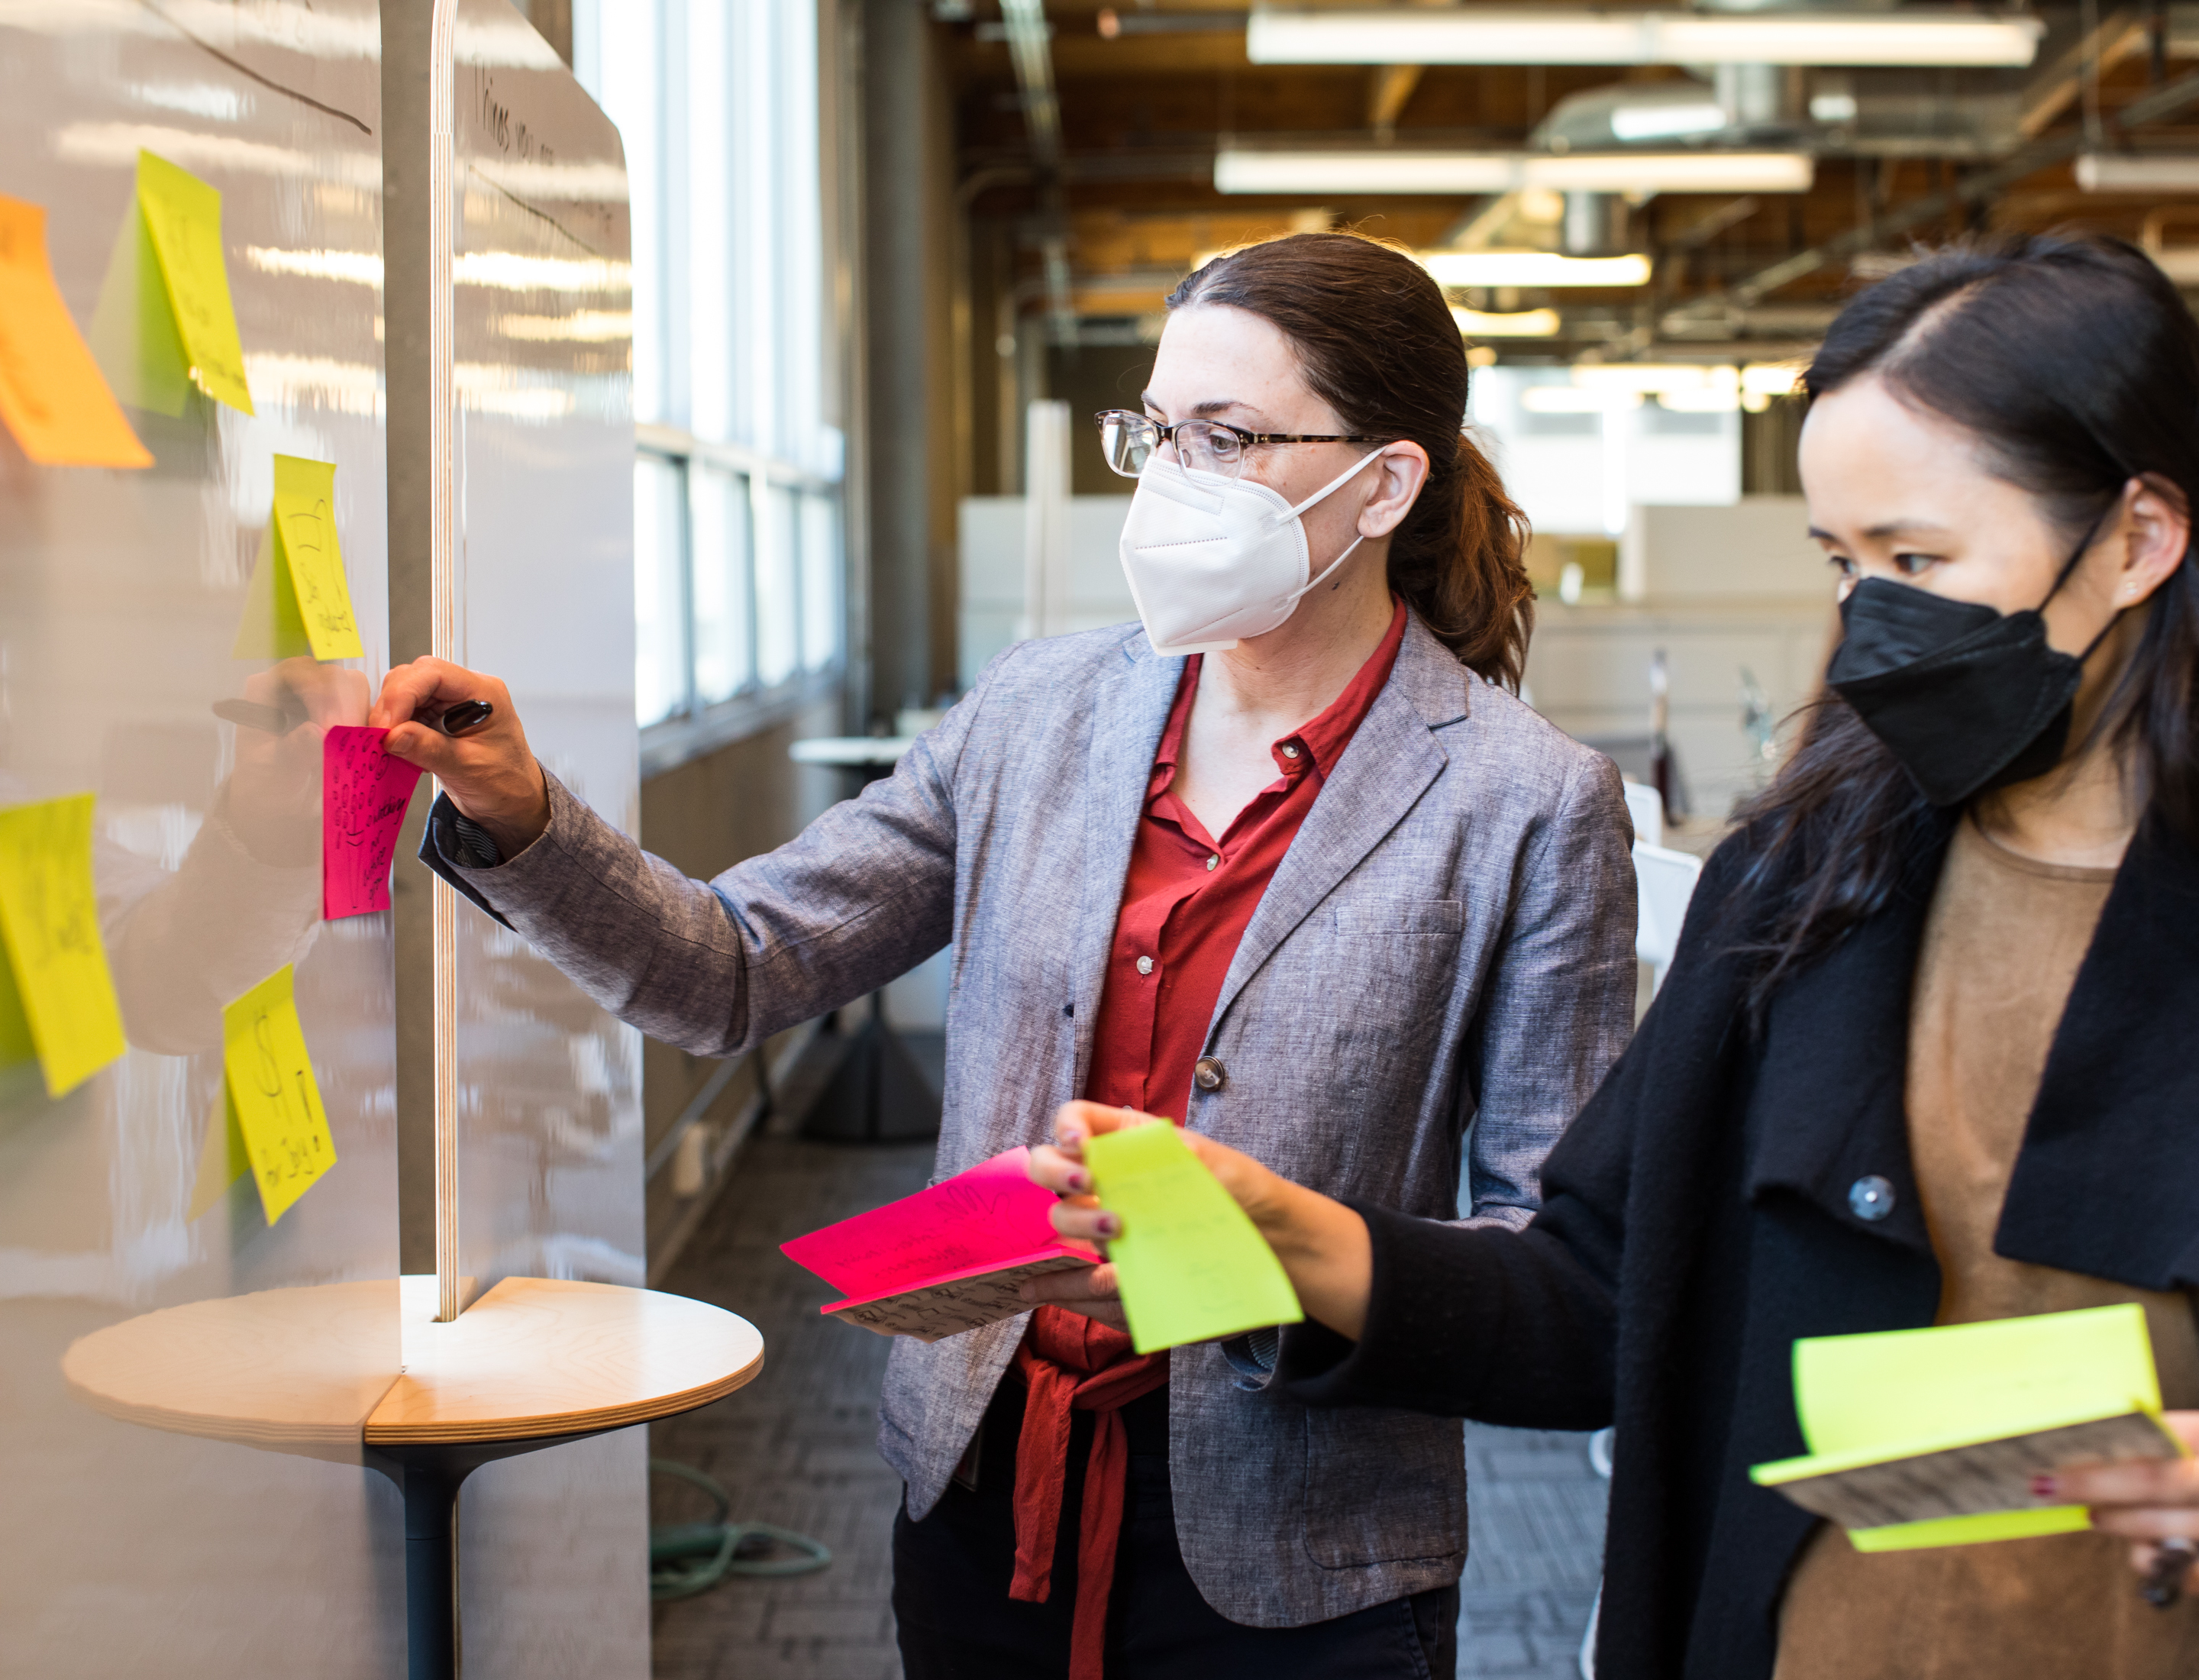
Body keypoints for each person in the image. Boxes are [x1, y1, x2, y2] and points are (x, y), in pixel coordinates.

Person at [1037, 235, 2199, 1678]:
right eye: (1843, 556)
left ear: (2139, 538)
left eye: (1921, 555)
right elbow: (1611, 1296)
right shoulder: (1806, 886)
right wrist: (1292, 1241)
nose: (1869, 612)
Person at [375, 231, 1636, 1680]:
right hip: (984, 1499)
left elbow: (1556, 1287)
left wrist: (1273, 1261)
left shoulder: (1526, 803)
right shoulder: (1037, 713)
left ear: (1386, 483)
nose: (1171, 483)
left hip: (1305, 1557)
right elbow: (731, 968)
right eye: (1155, 433)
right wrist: (522, 814)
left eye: (1226, 439)